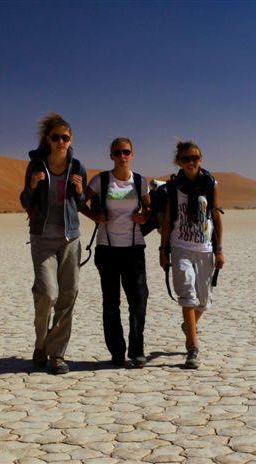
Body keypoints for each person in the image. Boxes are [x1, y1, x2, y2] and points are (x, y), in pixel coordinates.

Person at [19, 113, 88, 375]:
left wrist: (80, 192)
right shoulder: (36, 166)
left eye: (65, 138)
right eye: (56, 137)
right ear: (48, 140)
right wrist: (34, 185)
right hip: (42, 238)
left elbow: (79, 205)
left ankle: (57, 354)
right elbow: (25, 201)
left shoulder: (77, 167)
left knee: (68, 294)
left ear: (71, 140)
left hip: (70, 238)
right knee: (48, 293)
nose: (61, 142)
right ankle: (40, 343)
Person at [81, 137, 152, 368]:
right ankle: (117, 352)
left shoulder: (140, 181)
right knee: (111, 304)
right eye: (117, 152)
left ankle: (137, 349)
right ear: (111, 155)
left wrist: (145, 216)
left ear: (132, 154)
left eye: (126, 152)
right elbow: (80, 202)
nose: (122, 156)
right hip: (107, 250)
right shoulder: (100, 180)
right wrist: (94, 216)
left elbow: (149, 207)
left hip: (134, 249)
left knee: (139, 301)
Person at [159, 140, 225, 369]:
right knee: (187, 293)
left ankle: (189, 326)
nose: (190, 162)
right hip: (180, 247)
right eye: (186, 158)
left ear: (201, 159)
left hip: (205, 249)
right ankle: (192, 348)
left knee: (203, 301)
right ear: (179, 161)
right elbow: (167, 219)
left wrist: (219, 250)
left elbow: (215, 216)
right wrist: (163, 249)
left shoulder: (210, 184)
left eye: (194, 158)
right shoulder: (173, 187)